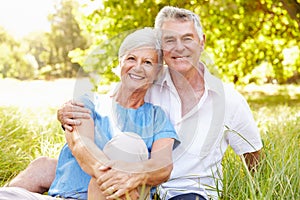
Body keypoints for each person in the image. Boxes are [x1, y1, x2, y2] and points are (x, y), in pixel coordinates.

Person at [7, 6, 263, 200]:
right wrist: (68, 110)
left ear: (202, 42)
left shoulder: (230, 101)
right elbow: (104, 107)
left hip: (186, 192)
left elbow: (254, 159)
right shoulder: (148, 82)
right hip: (131, 187)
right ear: (161, 49)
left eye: (187, 38)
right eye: (169, 40)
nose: (179, 47)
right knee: (43, 167)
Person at [2, 27, 179, 200]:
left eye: (148, 62)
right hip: (63, 196)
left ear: (157, 72)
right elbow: (81, 145)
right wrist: (112, 174)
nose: (138, 67)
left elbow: (163, 165)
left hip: (118, 196)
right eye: (131, 58)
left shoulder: (157, 116)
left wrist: (134, 176)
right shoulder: (89, 102)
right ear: (120, 63)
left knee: (128, 144)